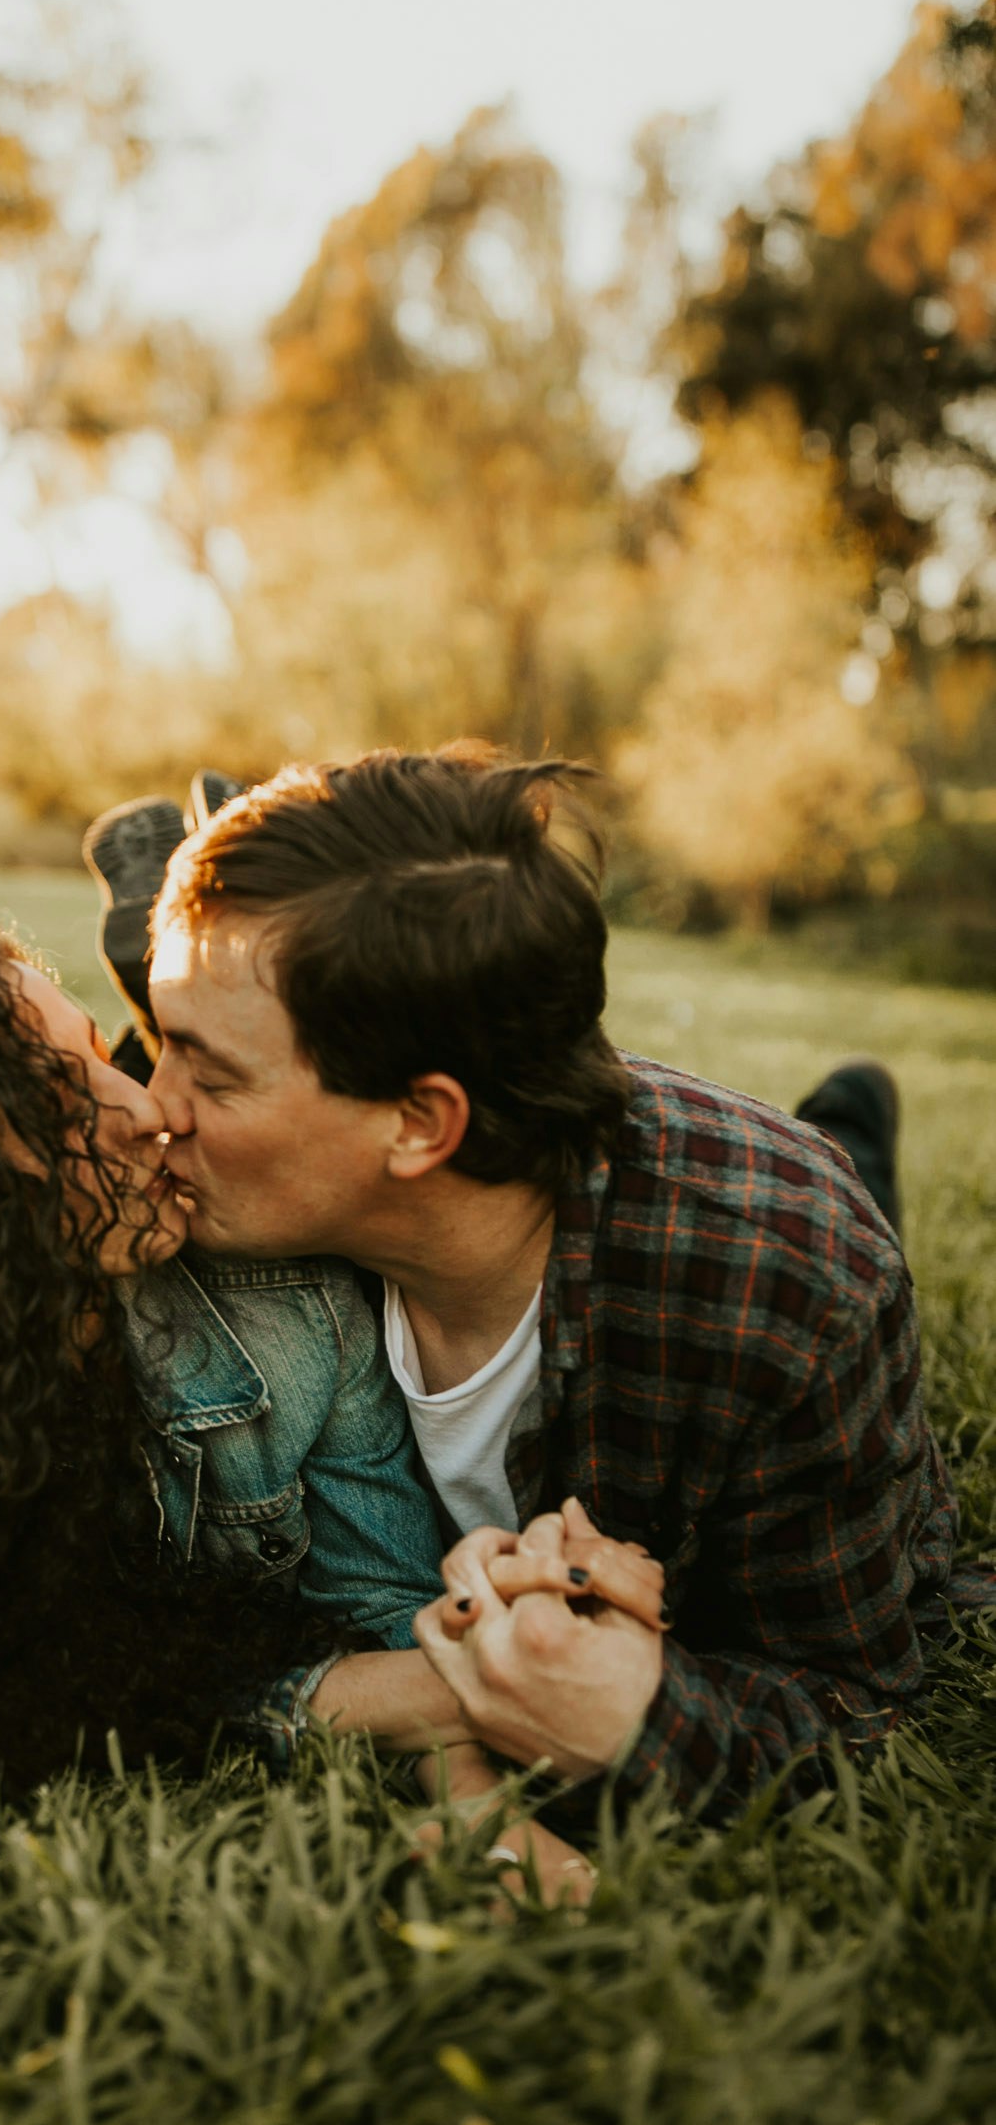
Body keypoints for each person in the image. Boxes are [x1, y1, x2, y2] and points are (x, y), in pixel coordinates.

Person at [0, 889, 629, 1888]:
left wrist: (480, 1812)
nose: (141, 1105)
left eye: (99, 1053)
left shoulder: (293, 1309)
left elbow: (391, 1616)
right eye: (57, 1098)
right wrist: (348, 1707)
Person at [91, 743, 991, 1823]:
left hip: (758, 1228)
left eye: (210, 1072)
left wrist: (640, 1714)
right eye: (163, 1046)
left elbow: (852, 1697)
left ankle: (848, 1132)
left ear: (418, 1123)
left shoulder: (791, 1293)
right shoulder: (234, 1231)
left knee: (834, 1208)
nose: (154, 1107)